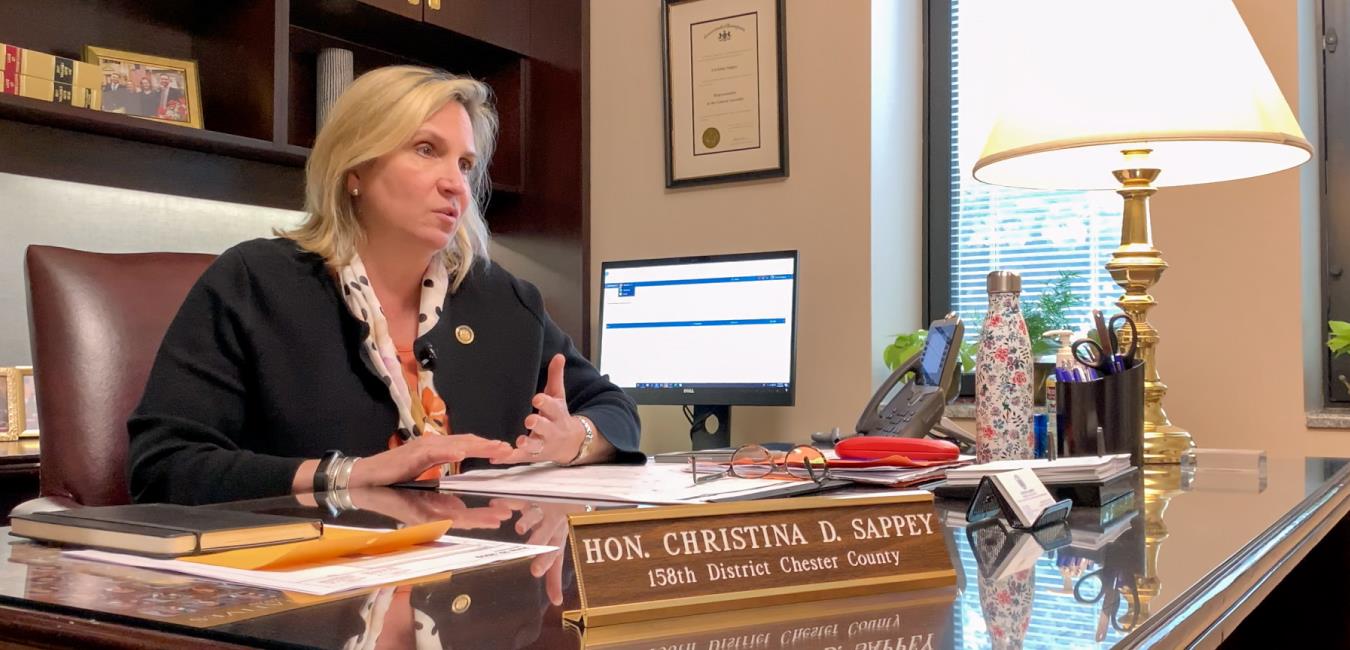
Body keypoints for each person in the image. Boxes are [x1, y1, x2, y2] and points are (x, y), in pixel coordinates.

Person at [128, 65, 641, 505]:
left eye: (464, 164)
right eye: (425, 149)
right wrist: (349, 474)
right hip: (311, 591)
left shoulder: (502, 299)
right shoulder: (253, 284)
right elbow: (165, 467)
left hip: (477, 586)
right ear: (355, 168)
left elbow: (612, 407)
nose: (455, 183)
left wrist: (576, 437)